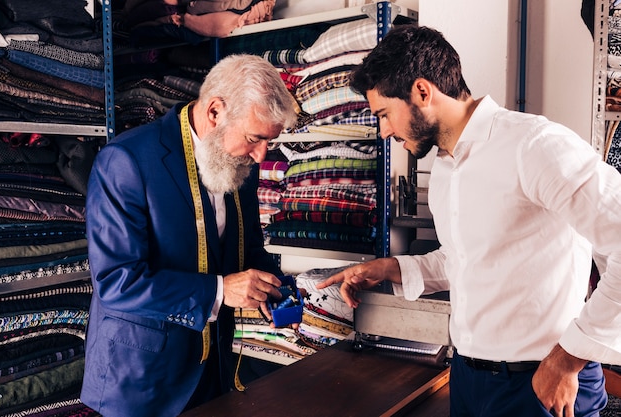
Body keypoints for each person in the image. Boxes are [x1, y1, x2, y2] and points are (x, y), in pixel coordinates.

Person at [317, 25, 621, 417]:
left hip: (543, 382)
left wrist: (570, 357)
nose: (384, 130)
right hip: (468, 379)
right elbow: (466, 258)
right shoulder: (444, 168)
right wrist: (389, 268)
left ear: (422, 92)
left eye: (384, 114)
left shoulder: (534, 146)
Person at [80, 54, 297, 417]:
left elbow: (247, 250)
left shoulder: (238, 163)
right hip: (142, 383)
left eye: (268, 143)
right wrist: (220, 290)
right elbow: (116, 281)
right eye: (255, 139)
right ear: (215, 112)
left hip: (213, 373)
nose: (261, 156)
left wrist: (276, 287)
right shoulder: (126, 161)